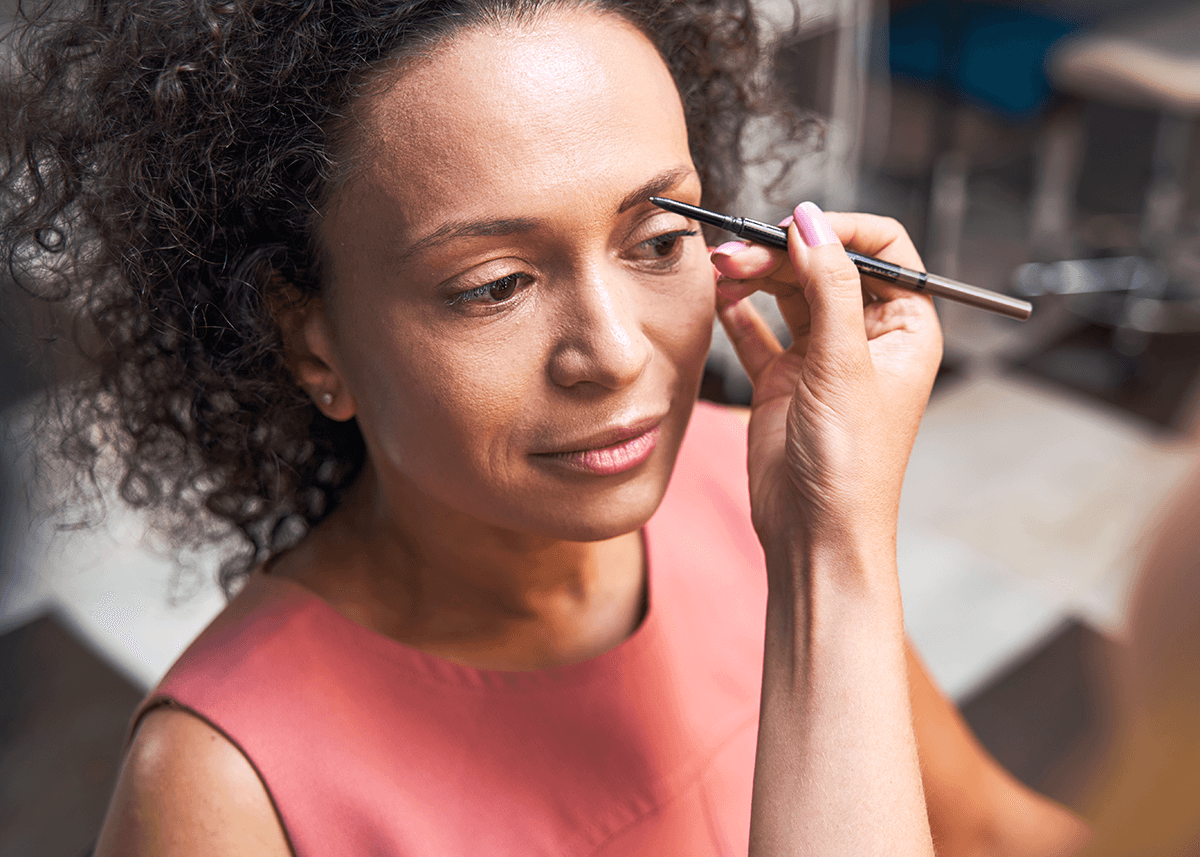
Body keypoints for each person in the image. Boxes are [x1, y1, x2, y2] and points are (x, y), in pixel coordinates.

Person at [1, 1, 1088, 854]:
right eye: (494, 284)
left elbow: (986, 830)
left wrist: (830, 550)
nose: (615, 352)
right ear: (314, 338)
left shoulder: (766, 495)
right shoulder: (224, 788)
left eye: (659, 240)